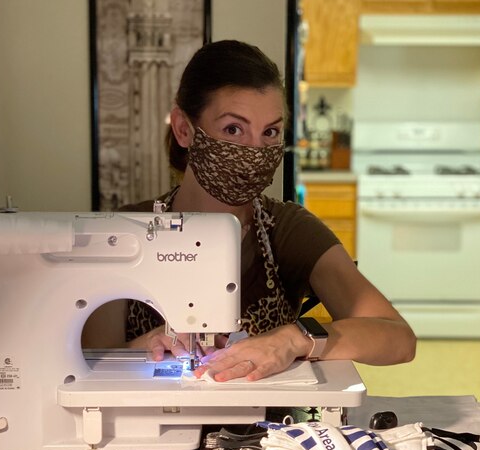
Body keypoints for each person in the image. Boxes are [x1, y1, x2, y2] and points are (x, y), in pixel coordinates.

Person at [125, 40, 416, 382]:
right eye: (234, 129)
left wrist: (294, 338)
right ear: (184, 129)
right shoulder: (126, 230)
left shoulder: (289, 231)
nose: (255, 150)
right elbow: (82, 362)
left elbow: (399, 338)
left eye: (270, 132)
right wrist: (141, 346)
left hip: (271, 432)